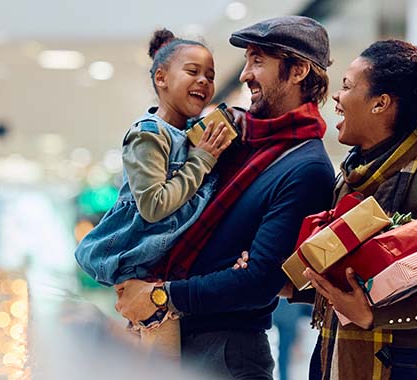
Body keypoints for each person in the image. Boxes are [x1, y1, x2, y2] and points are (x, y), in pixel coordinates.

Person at [114, 16, 335, 379]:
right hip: (171, 337)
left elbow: (257, 282)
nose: (246, 74)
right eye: (247, 60)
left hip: (228, 353)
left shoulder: (306, 166)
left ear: (297, 71)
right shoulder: (234, 138)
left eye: (258, 61)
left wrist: (160, 295)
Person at [297, 35, 417, 380]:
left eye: (346, 86)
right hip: (333, 349)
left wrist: (371, 315)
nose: (337, 97)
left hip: (405, 362)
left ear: (380, 103)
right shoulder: (348, 178)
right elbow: (346, 284)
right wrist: (292, 283)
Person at [74, 28, 232, 357]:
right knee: (162, 367)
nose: (203, 81)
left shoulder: (190, 137)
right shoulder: (148, 135)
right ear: (161, 78)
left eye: (210, 75)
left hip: (166, 273)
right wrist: (202, 160)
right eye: (192, 72)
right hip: (144, 273)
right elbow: (153, 205)